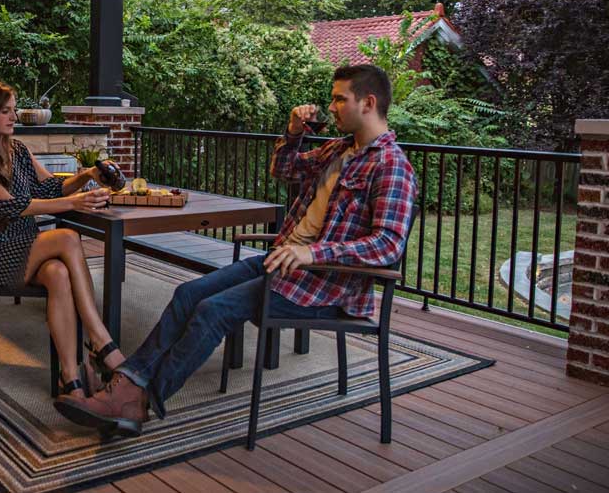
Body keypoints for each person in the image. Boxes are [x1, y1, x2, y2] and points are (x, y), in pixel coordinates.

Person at [54, 64, 417, 437]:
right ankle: (128, 385)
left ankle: (140, 401)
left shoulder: (391, 166)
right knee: (188, 293)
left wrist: (313, 254)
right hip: (282, 263)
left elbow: (387, 245)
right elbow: (284, 169)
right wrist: (292, 133)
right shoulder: (340, 150)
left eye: (340, 98)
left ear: (369, 103)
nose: (332, 105)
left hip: (323, 287)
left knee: (213, 311)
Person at [0, 81, 127, 400]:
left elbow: (50, 188)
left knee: (59, 274)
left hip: (24, 251)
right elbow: (11, 206)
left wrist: (87, 175)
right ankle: (100, 340)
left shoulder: (18, 150)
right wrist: (74, 204)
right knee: (67, 237)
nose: (13, 116)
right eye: (6, 111)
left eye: (14, 109)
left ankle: (70, 377)